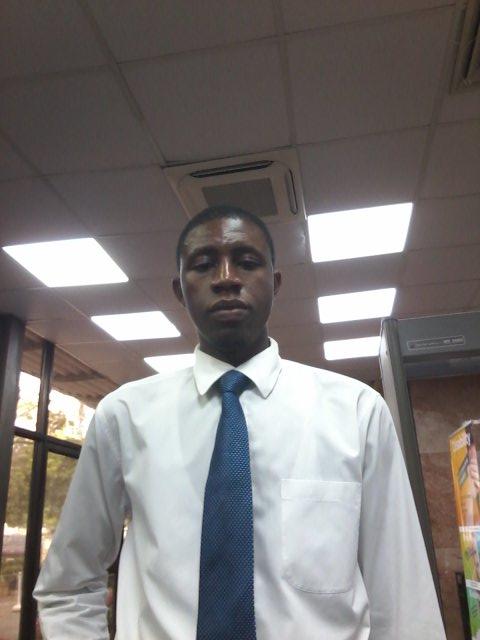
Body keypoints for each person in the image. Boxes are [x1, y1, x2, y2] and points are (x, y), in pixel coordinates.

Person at [34, 205, 446, 639]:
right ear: (179, 290)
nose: (226, 278)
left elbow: (404, 603)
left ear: (275, 283)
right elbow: (68, 587)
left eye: (247, 262)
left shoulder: (357, 412)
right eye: (203, 264)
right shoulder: (124, 417)